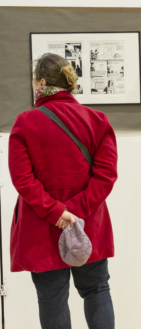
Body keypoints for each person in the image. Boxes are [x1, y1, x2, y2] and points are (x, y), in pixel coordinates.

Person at [9, 53, 118, 329]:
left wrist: (58, 213)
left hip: (42, 224)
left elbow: (22, 179)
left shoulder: (25, 122)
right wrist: (76, 212)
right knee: (96, 290)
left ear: (42, 82)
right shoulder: (97, 120)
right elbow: (106, 176)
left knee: (52, 298)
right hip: (88, 222)